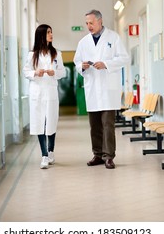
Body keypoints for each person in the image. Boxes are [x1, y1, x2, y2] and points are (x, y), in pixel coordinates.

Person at [74, 9, 129, 169]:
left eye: (91, 23)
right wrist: (81, 66)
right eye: (86, 23)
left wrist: (106, 64)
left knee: (108, 125)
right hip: (92, 88)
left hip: (108, 89)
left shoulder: (113, 37)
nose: (88, 26)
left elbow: (124, 58)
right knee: (95, 125)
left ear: (100, 21)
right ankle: (97, 154)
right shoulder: (83, 42)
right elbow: (77, 61)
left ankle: (109, 156)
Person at [23, 24, 66, 169]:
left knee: (51, 122)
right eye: (48, 32)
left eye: (51, 32)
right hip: (37, 92)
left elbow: (63, 72)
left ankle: (51, 150)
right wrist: (35, 73)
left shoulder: (56, 53)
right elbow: (25, 71)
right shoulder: (32, 54)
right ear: (41, 35)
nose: (51, 34)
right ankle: (44, 155)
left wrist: (55, 73)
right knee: (39, 123)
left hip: (51, 92)